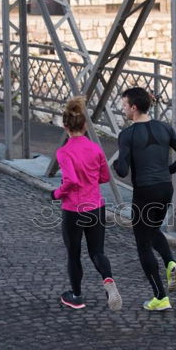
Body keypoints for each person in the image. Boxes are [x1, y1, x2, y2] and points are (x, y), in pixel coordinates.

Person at [114, 87, 176, 311]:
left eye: (124, 105)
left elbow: (122, 171)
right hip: (165, 188)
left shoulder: (127, 135)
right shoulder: (165, 128)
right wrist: (167, 171)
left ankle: (160, 297)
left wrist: (114, 163)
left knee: (142, 243)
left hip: (145, 191)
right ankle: (170, 263)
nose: (123, 109)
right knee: (153, 229)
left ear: (134, 107)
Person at [51, 96, 122, 311]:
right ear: (84, 126)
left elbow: (71, 180)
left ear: (65, 127)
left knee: (74, 254)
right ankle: (108, 280)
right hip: (96, 207)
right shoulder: (95, 149)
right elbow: (105, 177)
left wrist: (57, 193)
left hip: (74, 209)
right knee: (97, 252)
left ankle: (76, 296)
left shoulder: (64, 152)